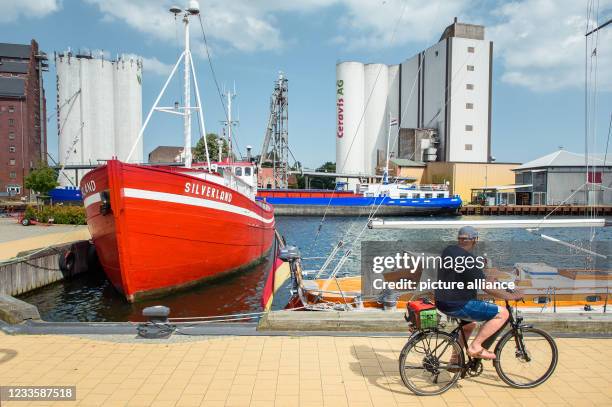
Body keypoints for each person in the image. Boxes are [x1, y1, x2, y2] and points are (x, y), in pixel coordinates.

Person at [434, 226, 523, 360]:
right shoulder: (468, 259)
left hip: (442, 301)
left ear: (459, 239)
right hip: (458, 304)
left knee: (470, 325)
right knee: (503, 313)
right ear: (474, 240)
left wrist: (486, 277)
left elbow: (462, 274)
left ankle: (455, 360)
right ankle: (475, 346)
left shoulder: (449, 250)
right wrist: (512, 296)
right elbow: (486, 287)